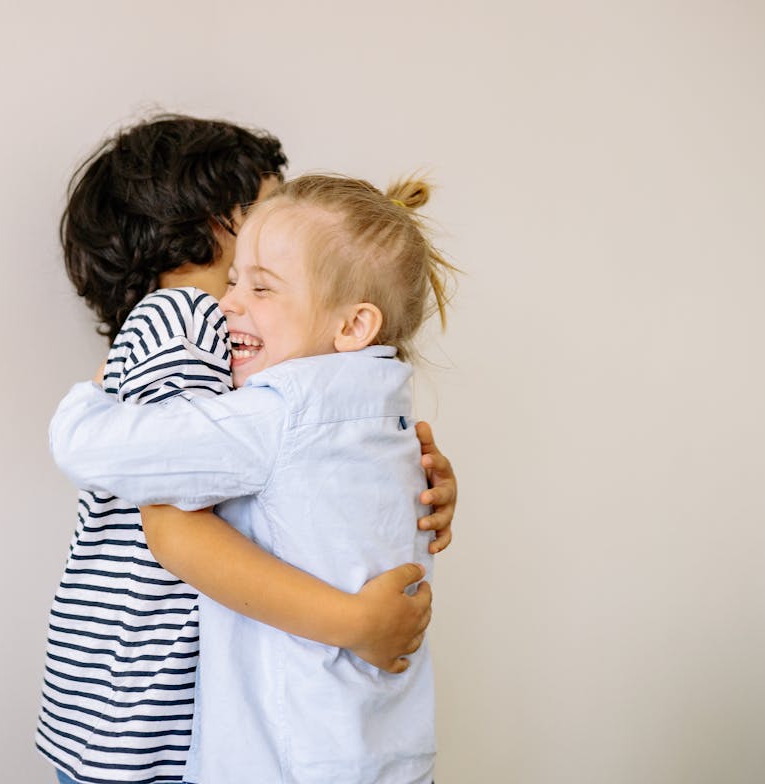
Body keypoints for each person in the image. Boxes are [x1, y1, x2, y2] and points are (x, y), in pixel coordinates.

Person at [36, 116, 457, 784]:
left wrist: (411, 479)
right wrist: (353, 622)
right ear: (210, 225)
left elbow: (299, 463)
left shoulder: (267, 353)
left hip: (154, 705)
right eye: (269, 205)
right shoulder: (188, 317)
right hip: (146, 715)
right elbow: (170, 519)